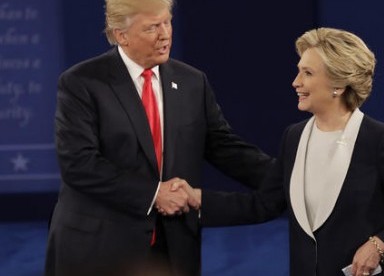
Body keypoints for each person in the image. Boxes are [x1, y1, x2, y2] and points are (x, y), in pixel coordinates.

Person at [185, 27, 384, 276]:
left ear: (338, 84)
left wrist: (378, 245)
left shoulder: (378, 139)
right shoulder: (294, 137)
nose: (296, 82)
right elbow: (264, 204)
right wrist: (198, 199)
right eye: (299, 72)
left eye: (307, 73)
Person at [44, 0, 273, 275]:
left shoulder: (191, 82)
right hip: (100, 247)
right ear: (121, 35)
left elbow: (223, 147)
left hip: (172, 248)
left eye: (167, 22)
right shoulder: (82, 82)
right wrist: (154, 194)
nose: (165, 34)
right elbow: (78, 164)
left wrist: (286, 175)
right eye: (152, 27)